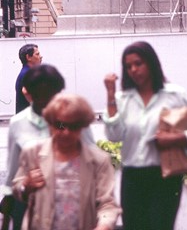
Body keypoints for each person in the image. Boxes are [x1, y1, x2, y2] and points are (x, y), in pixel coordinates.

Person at [103, 41, 187, 230]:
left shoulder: (175, 94)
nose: (133, 69)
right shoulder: (122, 99)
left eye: (138, 63)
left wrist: (176, 139)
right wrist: (110, 95)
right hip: (133, 178)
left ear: (151, 63)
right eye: (128, 66)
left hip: (164, 178)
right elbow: (114, 135)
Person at [2, 64, 94, 230]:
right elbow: (12, 170)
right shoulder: (18, 123)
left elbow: (92, 160)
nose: (45, 101)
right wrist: (7, 210)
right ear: (29, 93)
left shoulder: (75, 119)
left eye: (50, 94)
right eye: (39, 95)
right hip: (29, 204)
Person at [12, 93, 121, 230]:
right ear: (50, 123)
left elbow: (108, 204)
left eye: (74, 126)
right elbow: (17, 188)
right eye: (60, 125)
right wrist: (26, 185)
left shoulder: (99, 160)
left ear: (83, 126)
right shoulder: (33, 153)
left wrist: (104, 225)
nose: (66, 132)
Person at [15, 44, 42, 113]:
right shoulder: (28, 73)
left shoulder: (26, 72)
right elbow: (25, 91)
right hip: (28, 119)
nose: (41, 56)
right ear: (28, 57)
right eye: (37, 54)